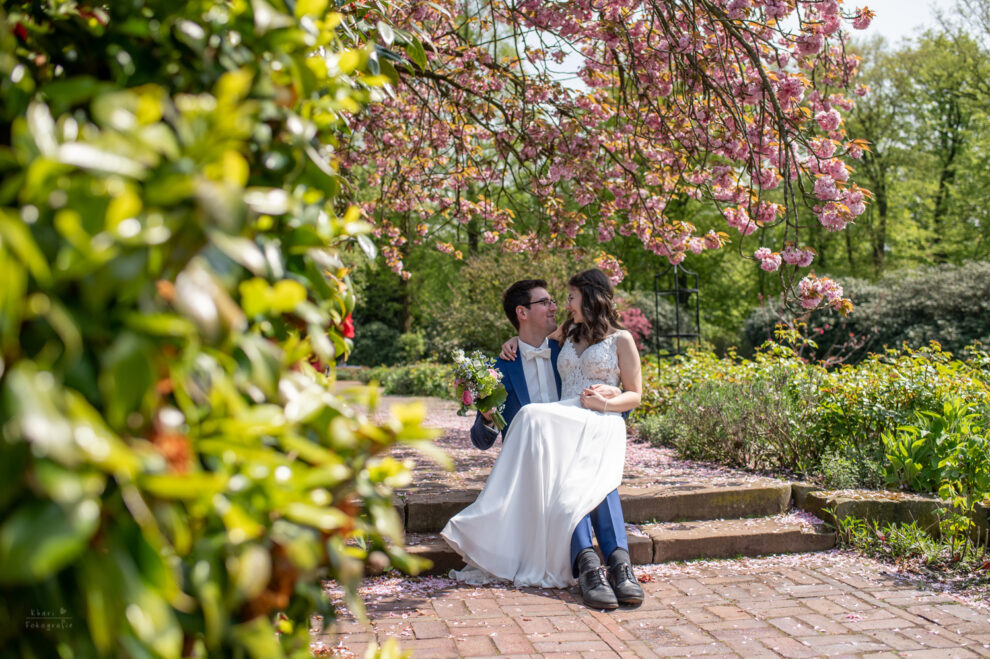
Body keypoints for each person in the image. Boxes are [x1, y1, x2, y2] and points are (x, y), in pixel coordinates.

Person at [441, 270, 644, 609]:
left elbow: (613, 377)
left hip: (587, 433)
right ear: (522, 313)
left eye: (560, 299)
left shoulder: (567, 344)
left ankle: (616, 565)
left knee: (592, 476)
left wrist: (610, 396)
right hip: (538, 462)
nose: (556, 307)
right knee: (562, 464)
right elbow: (480, 440)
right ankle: (588, 564)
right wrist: (489, 415)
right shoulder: (500, 367)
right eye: (546, 302)